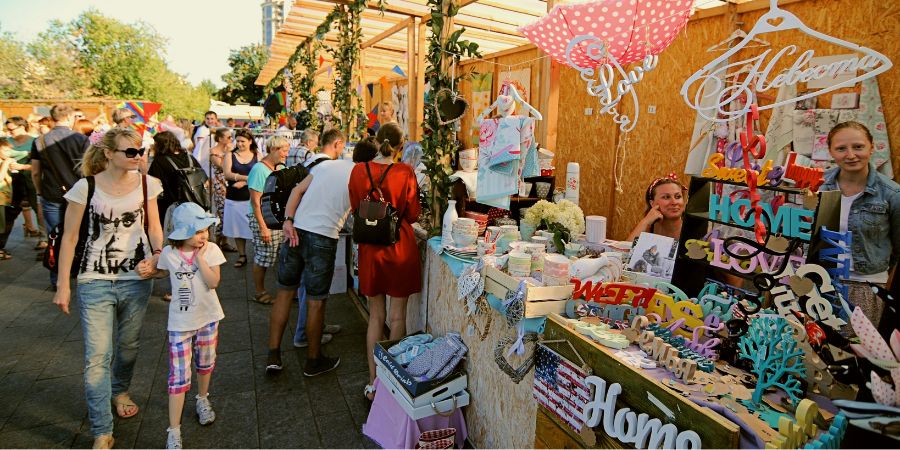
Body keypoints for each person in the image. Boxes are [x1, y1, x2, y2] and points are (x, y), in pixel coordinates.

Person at [51, 128, 163, 449]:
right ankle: (102, 429)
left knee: (128, 346)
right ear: (109, 154)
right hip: (94, 279)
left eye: (140, 150)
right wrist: (63, 285)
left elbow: (154, 228)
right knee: (97, 356)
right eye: (130, 152)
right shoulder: (84, 187)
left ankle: (120, 389)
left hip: (136, 279)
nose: (138, 156)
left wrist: (157, 256)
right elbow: (70, 238)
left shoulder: (147, 184)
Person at [348, 123, 421, 400]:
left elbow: (356, 207)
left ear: (377, 142)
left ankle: (372, 383)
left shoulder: (358, 170)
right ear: (401, 147)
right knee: (397, 317)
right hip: (398, 246)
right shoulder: (406, 172)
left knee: (375, 317)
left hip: (370, 248)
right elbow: (412, 214)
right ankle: (395, 385)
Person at [274, 128, 353, 376]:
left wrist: (288, 220)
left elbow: (297, 192)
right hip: (322, 237)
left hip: (296, 230)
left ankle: (273, 354)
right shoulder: (355, 172)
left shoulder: (320, 166)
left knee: (285, 293)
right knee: (316, 301)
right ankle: (313, 360)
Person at [154, 202, 225, 449]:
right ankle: (173, 430)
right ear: (182, 232)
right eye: (196, 232)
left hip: (208, 316)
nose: (202, 236)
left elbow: (214, 282)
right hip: (180, 322)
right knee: (178, 376)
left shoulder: (212, 250)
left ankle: (202, 399)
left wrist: (201, 259)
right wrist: (146, 267)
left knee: (205, 363)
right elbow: (159, 272)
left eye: (204, 230)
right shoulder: (169, 254)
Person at [821, 121, 900, 328]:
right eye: (841, 148)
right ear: (830, 151)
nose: (850, 155)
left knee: (856, 349)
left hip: (865, 285)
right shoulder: (817, 185)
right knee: (816, 346)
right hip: (821, 279)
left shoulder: (892, 194)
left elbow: (898, 247)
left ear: (871, 147)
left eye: (858, 146)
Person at [30, 104, 90, 289]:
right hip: (79, 193)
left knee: (55, 236)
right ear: (71, 118)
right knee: (79, 234)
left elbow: (34, 171)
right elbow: (89, 168)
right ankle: (79, 272)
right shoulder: (81, 138)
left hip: (52, 193)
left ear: (52, 118)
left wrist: (40, 190)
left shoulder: (40, 141)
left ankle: (57, 280)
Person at [246, 136, 290, 304]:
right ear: (273, 149)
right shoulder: (259, 169)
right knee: (263, 257)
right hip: (264, 219)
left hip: (273, 218)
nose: (286, 154)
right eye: (284, 150)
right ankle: (259, 292)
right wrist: (263, 227)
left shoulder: (274, 167)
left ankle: (276, 291)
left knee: (273, 255)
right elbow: (255, 202)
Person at [147, 131, 205, 234]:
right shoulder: (189, 157)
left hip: (169, 204)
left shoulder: (160, 161)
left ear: (160, 144)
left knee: (172, 234)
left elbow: (152, 182)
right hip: (194, 202)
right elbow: (203, 178)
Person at [5, 116, 46, 248]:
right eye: (8, 129)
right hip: (11, 182)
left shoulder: (35, 141)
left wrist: (22, 166)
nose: (9, 132)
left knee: (39, 210)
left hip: (32, 180)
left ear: (22, 127)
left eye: (12, 129)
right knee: (9, 212)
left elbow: (41, 164)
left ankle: (44, 239)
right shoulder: (6, 142)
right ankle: (1, 244)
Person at [222, 128, 257, 267]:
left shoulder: (257, 155)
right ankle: (242, 255)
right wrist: (247, 178)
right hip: (234, 196)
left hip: (252, 197)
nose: (240, 144)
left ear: (250, 141)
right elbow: (227, 174)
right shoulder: (230, 155)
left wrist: (244, 181)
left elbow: (263, 174)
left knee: (255, 226)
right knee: (237, 228)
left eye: (243, 141)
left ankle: (258, 253)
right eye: (237, 141)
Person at [626, 173, 685, 242]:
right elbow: (627, 250)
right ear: (652, 203)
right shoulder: (647, 227)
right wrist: (646, 222)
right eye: (666, 197)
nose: (674, 202)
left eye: (678, 197)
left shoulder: (695, 229)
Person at [209, 128, 235, 251]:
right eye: (228, 137)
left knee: (229, 213)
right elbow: (221, 166)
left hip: (231, 183)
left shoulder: (231, 150)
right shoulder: (214, 151)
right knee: (222, 213)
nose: (231, 139)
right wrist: (228, 153)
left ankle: (224, 242)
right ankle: (217, 242)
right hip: (220, 184)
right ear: (220, 139)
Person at [0, 139, 26, 260]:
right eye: (5, 149)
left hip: (6, 199)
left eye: (9, 149)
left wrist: (10, 155)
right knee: (1, 226)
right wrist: (6, 163)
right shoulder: (3, 162)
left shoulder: (6, 158)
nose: (8, 152)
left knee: (5, 225)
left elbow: (23, 153)